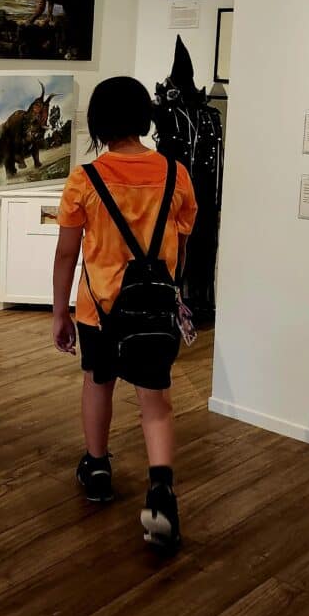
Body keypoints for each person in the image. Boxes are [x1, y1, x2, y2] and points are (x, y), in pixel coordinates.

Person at [51, 76, 198, 552]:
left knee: (98, 383)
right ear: (144, 118)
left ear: (98, 123)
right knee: (156, 400)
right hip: (154, 309)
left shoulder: (85, 179)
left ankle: (97, 469)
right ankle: (161, 493)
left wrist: (60, 311)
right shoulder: (176, 174)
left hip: (100, 310)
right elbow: (183, 243)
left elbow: (66, 254)